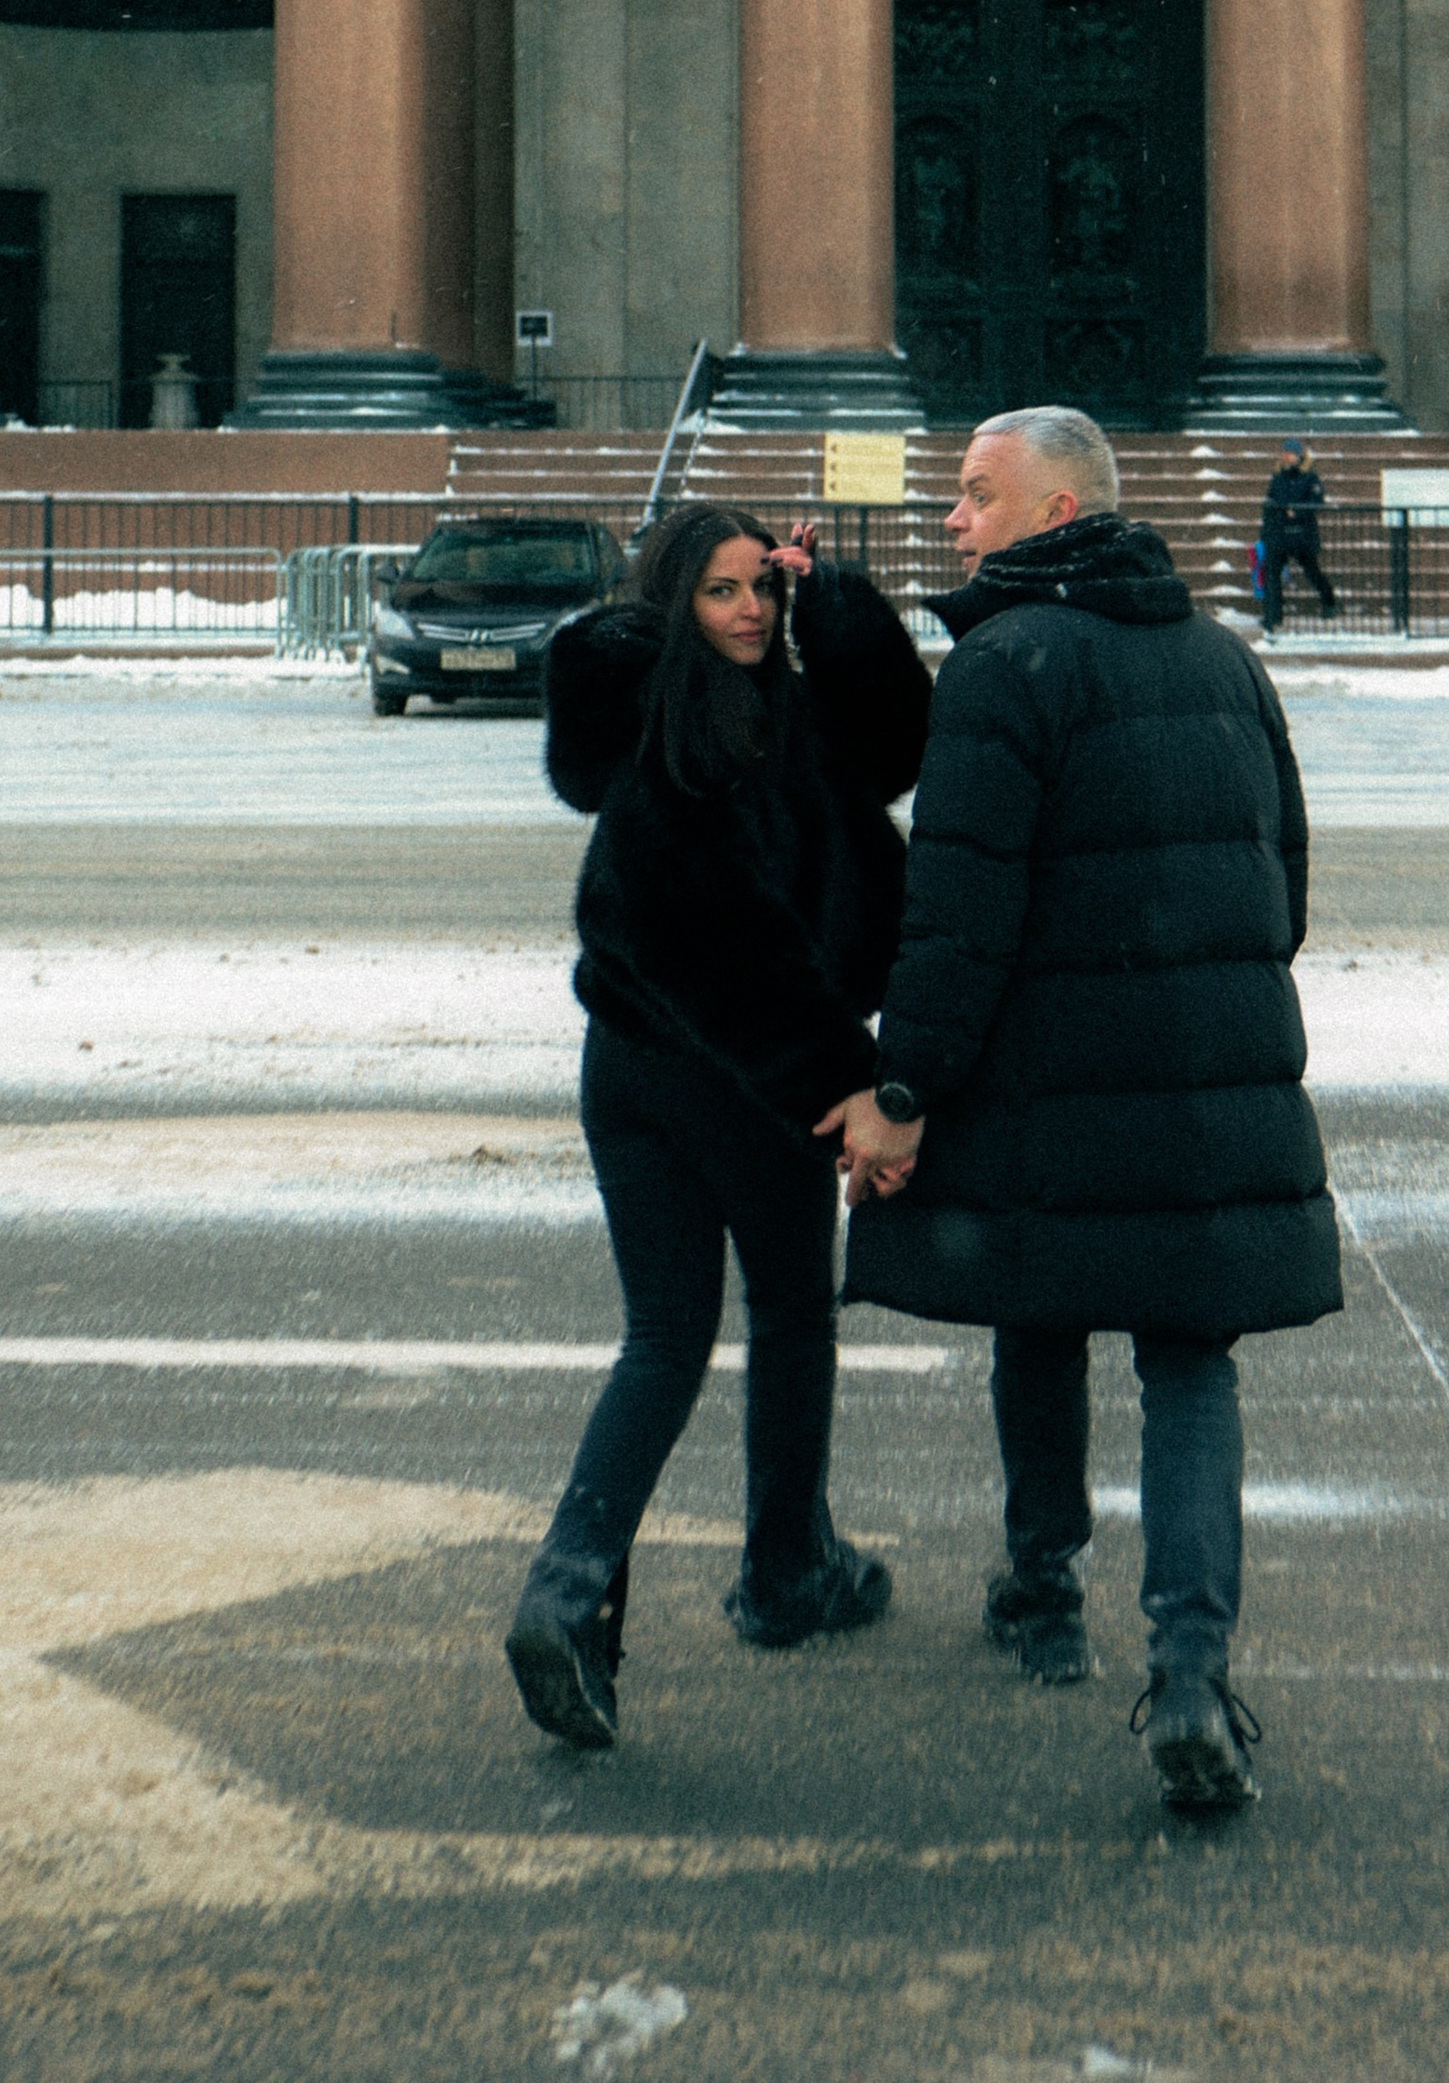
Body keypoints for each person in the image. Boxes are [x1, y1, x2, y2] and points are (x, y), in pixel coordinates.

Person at [829, 405, 1341, 1819]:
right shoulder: (1225, 663)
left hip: (1047, 1083)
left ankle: (1041, 1591)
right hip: (1200, 1088)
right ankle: (1188, 1669)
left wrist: (907, 1086)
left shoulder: (1004, 665)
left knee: (1040, 1318)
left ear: (1057, 517)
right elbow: (1283, 891)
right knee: (1189, 1363)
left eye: (978, 498)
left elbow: (960, 914)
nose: (953, 522)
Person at [503, 499, 930, 1751]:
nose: (750, 612)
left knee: (665, 1338)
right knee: (787, 1315)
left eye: (763, 589)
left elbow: (895, 748)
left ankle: (572, 1585)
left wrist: (837, 605)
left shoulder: (745, 705)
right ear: (670, 603)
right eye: (722, 593)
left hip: (630, 1069)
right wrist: (841, 1080)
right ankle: (784, 1569)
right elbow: (723, 944)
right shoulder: (692, 736)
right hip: (733, 1077)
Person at [1259, 440, 1337, 631]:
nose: (1285, 456)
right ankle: (1273, 616)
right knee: (1272, 574)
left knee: (1312, 571)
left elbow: (1317, 502)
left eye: (1289, 453)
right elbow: (1270, 502)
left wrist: (1297, 511)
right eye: (1283, 452)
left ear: (1298, 456)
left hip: (1302, 535)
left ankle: (1329, 600)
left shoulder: (1309, 477)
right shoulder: (1278, 477)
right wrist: (1266, 528)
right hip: (1279, 534)